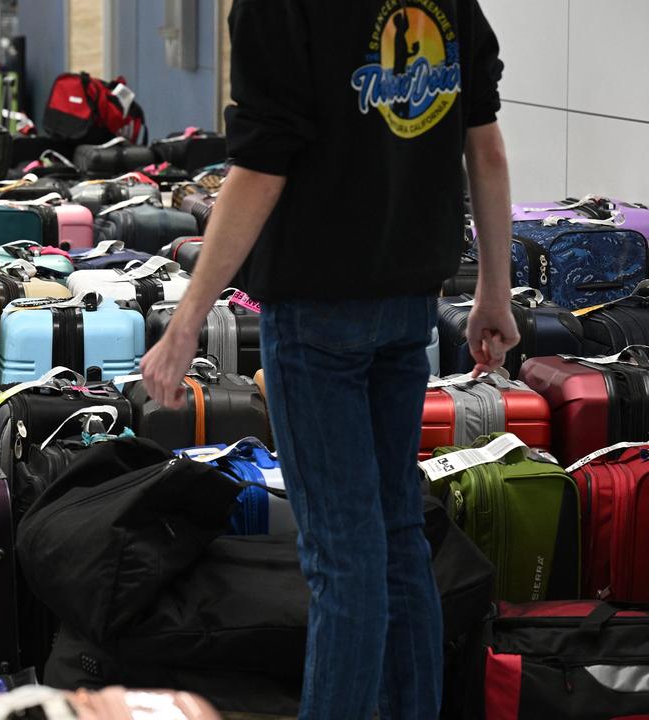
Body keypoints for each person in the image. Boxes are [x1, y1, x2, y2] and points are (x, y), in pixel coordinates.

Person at [138, 2, 515, 718]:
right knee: (398, 534)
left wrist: (188, 319)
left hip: (316, 314)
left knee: (343, 560)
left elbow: (261, 167)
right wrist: (494, 290)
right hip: (411, 302)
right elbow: (485, 144)